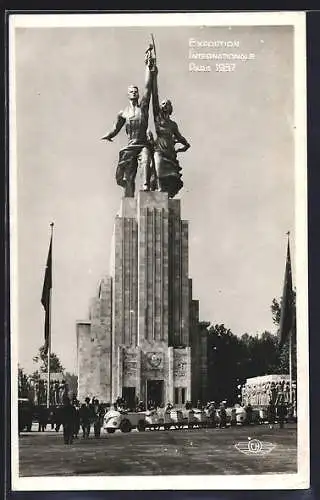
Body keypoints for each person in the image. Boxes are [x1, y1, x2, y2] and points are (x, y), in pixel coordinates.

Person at [101, 46, 156, 197]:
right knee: (129, 175)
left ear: (138, 94)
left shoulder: (143, 107)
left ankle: (146, 189)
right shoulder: (123, 113)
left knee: (145, 161)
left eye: (135, 91)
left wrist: (148, 67)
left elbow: (147, 87)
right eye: (131, 91)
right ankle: (129, 196)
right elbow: (115, 128)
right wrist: (107, 135)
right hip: (130, 147)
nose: (134, 92)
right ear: (127, 95)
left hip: (142, 144)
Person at [151, 64, 190, 198]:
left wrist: (183, 147)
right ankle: (159, 189)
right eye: (162, 104)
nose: (163, 105)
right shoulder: (157, 118)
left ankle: (164, 193)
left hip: (170, 153)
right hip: (159, 150)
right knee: (158, 167)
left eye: (166, 104)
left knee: (170, 178)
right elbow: (154, 95)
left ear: (170, 107)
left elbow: (182, 139)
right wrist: (154, 76)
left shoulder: (173, 124)